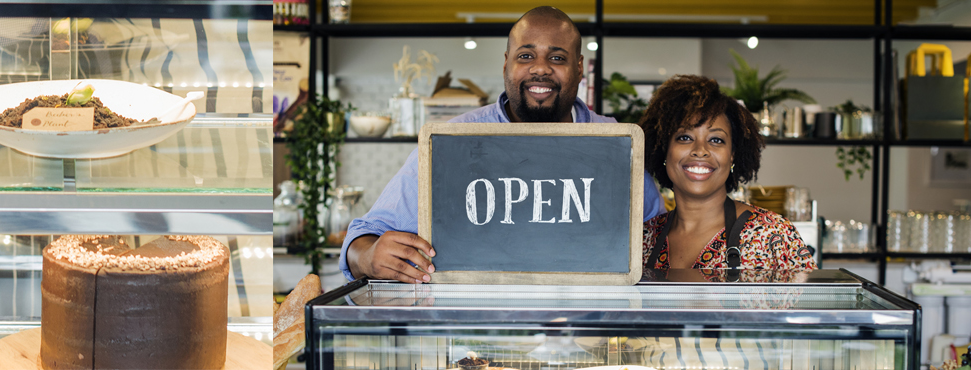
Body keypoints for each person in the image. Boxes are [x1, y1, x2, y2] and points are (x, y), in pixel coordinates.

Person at [340, 6, 667, 284]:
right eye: (526, 56)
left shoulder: (618, 146)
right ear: (506, 63)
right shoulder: (452, 142)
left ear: (579, 67)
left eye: (557, 57)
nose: (540, 68)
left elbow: (660, 240)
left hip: (587, 340)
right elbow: (364, 237)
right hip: (476, 342)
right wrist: (369, 256)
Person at [637, 74, 816, 271]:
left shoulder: (773, 235)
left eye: (716, 140)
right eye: (685, 137)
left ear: (732, 156)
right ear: (664, 150)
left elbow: (815, 301)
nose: (700, 150)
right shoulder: (643, 239)